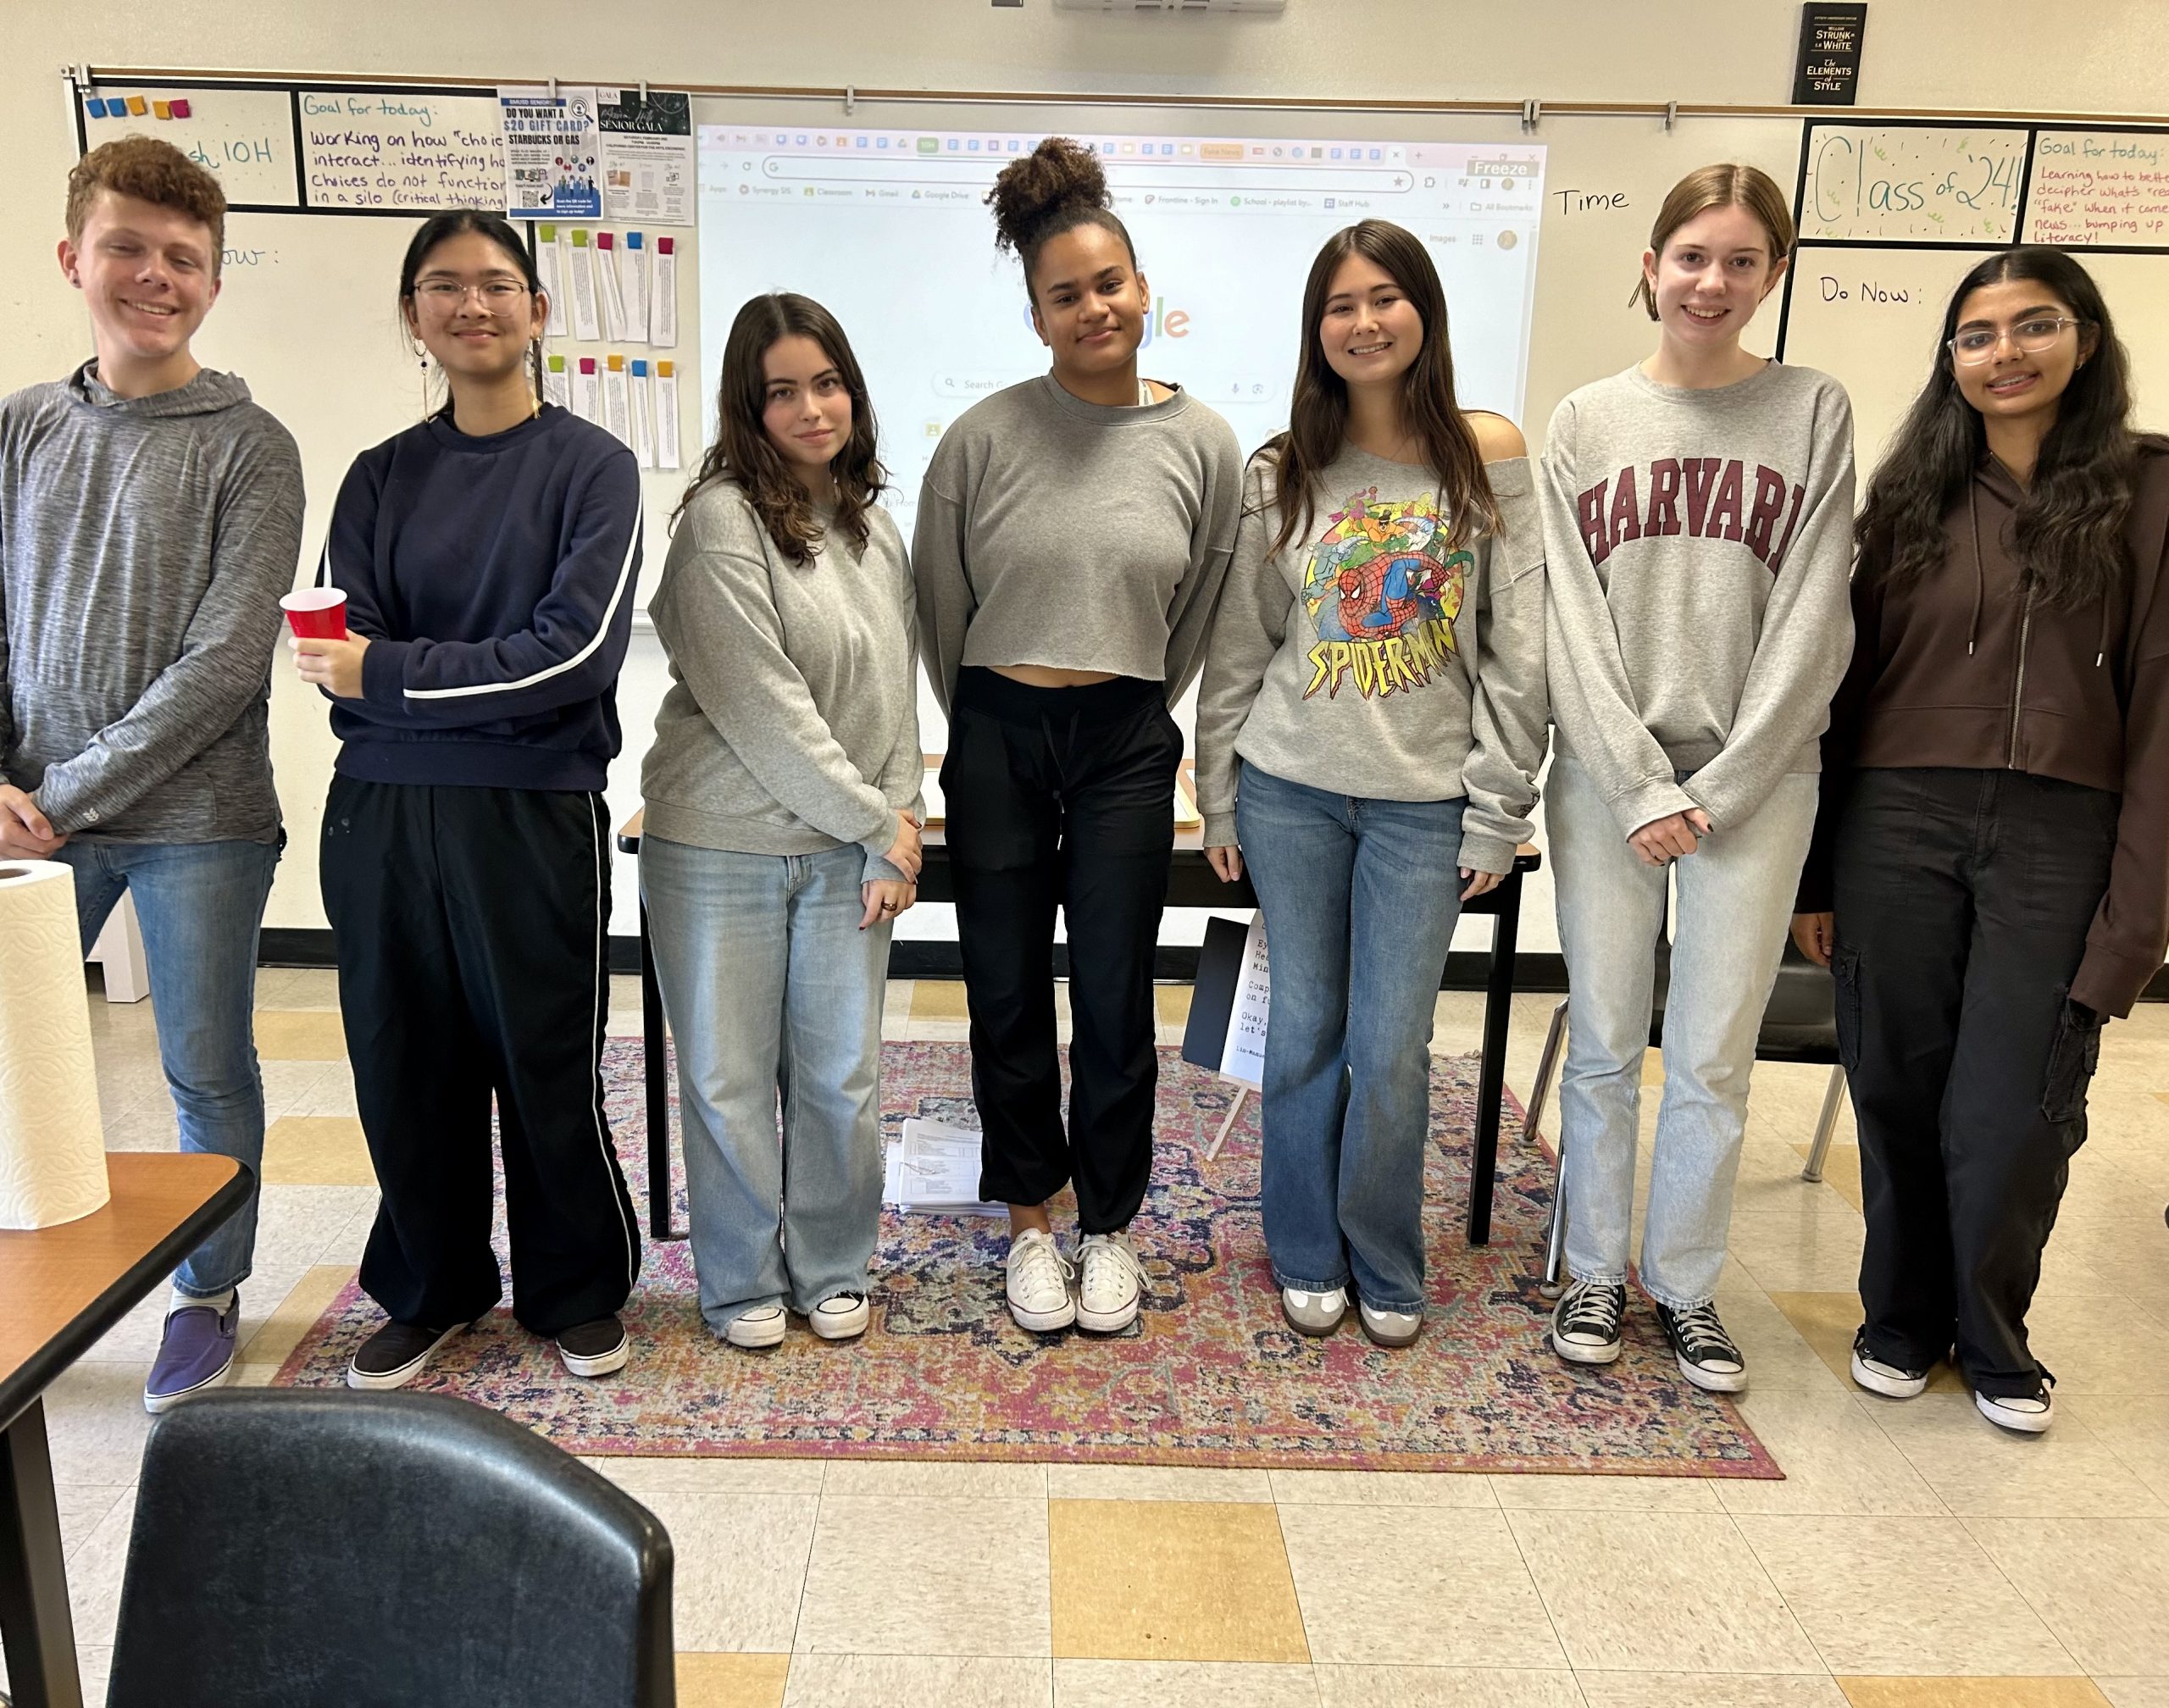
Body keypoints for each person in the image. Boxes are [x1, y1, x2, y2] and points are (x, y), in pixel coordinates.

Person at [1793, 248, 2169, 1435]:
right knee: (1896, 1084)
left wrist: (2138, 926)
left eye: (2033, 325)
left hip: (2065, 833)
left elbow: (2163, 719)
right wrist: (1814, 875)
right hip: (1896, 822)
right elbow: (1838, 706)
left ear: (2087, 340)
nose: (2004, 353)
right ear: (1950, 359)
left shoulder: (2151, 497)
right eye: (1977, 334)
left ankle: (1994, 1333)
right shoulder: (1906, 498)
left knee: (2017, 1106)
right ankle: (1899, 1320)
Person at [297, 209, 642, 1389]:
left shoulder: (593, 467)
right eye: (444, 287)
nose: (473, 305)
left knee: (542, 1058)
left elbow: (572, 658)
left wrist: (393, 678)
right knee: (404, 1061)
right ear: (413, 319)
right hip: (381, 817)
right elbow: (336, 661)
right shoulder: (379, 477)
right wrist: (415, 682)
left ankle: (576, 1286)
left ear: (540, 312)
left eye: (499, 285)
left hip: (531, 815)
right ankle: (432, 1284)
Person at [1195, 220, 1546, 1347]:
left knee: (1390, 1049)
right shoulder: (1280, 468)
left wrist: (1500, 807)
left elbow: (1517, 646)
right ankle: (1305, 1248)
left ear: (1425, 313)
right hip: (1292, 789)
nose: (1363, 322)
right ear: (1317, 330)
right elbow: (1241, 645)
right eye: (1339, 306)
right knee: (1302, 1028)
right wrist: (1219, 790)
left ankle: (1384, 1255)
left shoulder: (1485, 458)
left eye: (1384, 298)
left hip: (1425, 806)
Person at [915, 136, 1242, 1335]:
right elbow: (939, 604)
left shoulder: (1204, 443)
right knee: (1005, 988)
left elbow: (1202, 606)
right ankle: (1032, 1223)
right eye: (1067, 295)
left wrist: (1140, 705)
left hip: (1124, 741)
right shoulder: (983, 439)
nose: (1095, 308)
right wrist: (981, 721)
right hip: (997, 728)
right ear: (1037, 313)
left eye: (1111, 283)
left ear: (1143, 288)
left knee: (1112, 995)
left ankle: (1110, 1227)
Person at [0, 136, 303, 1413]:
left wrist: (61, 795)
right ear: (73, 257)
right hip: (24, 812)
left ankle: (204, 1295)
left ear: (215, 284)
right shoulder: (23, 427)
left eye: (184, 258)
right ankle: (28, 1281)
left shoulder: (253, 445)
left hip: (199, 826)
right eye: (128, 248)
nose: (155, 276)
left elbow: (225, 665)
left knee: (204, 1068)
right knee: (12, 1065)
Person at [1541, 164, 1856, 1392]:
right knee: (1610, 1045)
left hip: (1756, 787)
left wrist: (1719, 786)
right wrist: (1636, 783)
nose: (1712, 282)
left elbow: (1816, 615)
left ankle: (1684, 1287)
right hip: (1609, 787)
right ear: (1649, 265)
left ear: (1771, 272)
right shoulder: (1584, 420)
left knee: (1714, 1057)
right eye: (1691, 256)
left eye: (1740, 260)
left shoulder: (1815, 411)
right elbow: (1570, 617)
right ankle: (1590, 1274)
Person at [641, 293, 923, 1350]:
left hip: (850, 849)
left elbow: (897, 690)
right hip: (719, 846)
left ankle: (833, 1265)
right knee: (725, 1081)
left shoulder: (872, 527)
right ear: (746, 408)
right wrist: (875, 822)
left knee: (842, 1079)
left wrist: (901, 824)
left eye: (828, 382)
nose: (812, 408)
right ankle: (739, 1282)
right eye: (783, 392)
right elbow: (763, 708)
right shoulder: (721, 520)